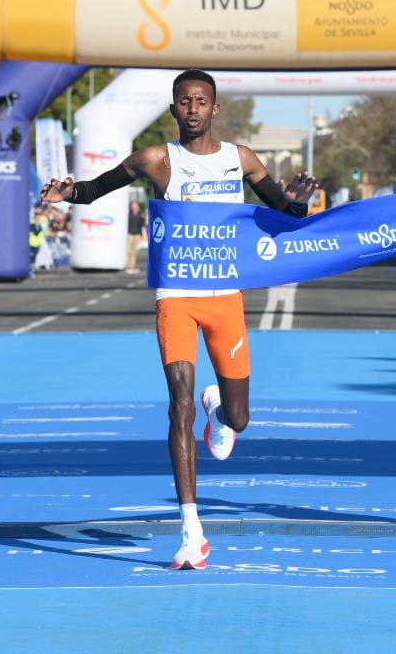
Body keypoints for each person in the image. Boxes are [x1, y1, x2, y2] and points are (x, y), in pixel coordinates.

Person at [41, 69, 316, 570]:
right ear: (174, 110)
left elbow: (287, 212)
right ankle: (192, 530)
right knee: (177, 406)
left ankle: (222, 411)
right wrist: (66, 192)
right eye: (184, 101)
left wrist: (297, 198)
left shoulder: (242, 159)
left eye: (201, 101)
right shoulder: (156, 159)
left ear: (215, 109)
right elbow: (95, 188)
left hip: (225, 299)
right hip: (177, 297)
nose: (192, 108)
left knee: (241, 417)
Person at [124, 196, 146, 274]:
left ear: (138, 207)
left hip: (137, 234)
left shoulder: (140, 216)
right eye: (133, 206)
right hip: (130, 234)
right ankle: (128, 267)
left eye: (135, 206)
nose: (134, 207)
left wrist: (142, 235)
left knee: (134, 252)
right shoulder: (129, 215)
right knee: (129, 251)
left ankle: (132, 267)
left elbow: (142, 226)